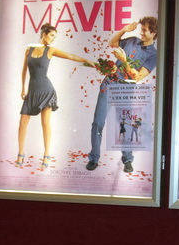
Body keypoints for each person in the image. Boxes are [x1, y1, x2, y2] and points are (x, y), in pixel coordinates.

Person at [86, 17, 158, 174]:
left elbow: (137, 77)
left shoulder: (153, 55)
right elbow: (112, 43)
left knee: (125, 124)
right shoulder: (132, 40)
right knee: (98, 122)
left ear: (154, 33)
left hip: (126, 90)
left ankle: (127, 159)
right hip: (110, 83)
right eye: (142, 29)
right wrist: (124, 30)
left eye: (145, 30)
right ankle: (94, 158)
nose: (142, 32)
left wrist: (124, 61)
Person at [16, 23, 91, 171]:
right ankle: (20, 153)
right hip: (32, 90)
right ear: (43, 34)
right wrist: (23, 88)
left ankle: (46, 154)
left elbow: (70, 56)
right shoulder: (29, 49)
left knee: (45, 124)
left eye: (55, 37)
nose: (53, 39)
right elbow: (24, 69)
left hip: (46, 90)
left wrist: (87, 60)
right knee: (23, 122)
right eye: (51, 35)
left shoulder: (51, 50)